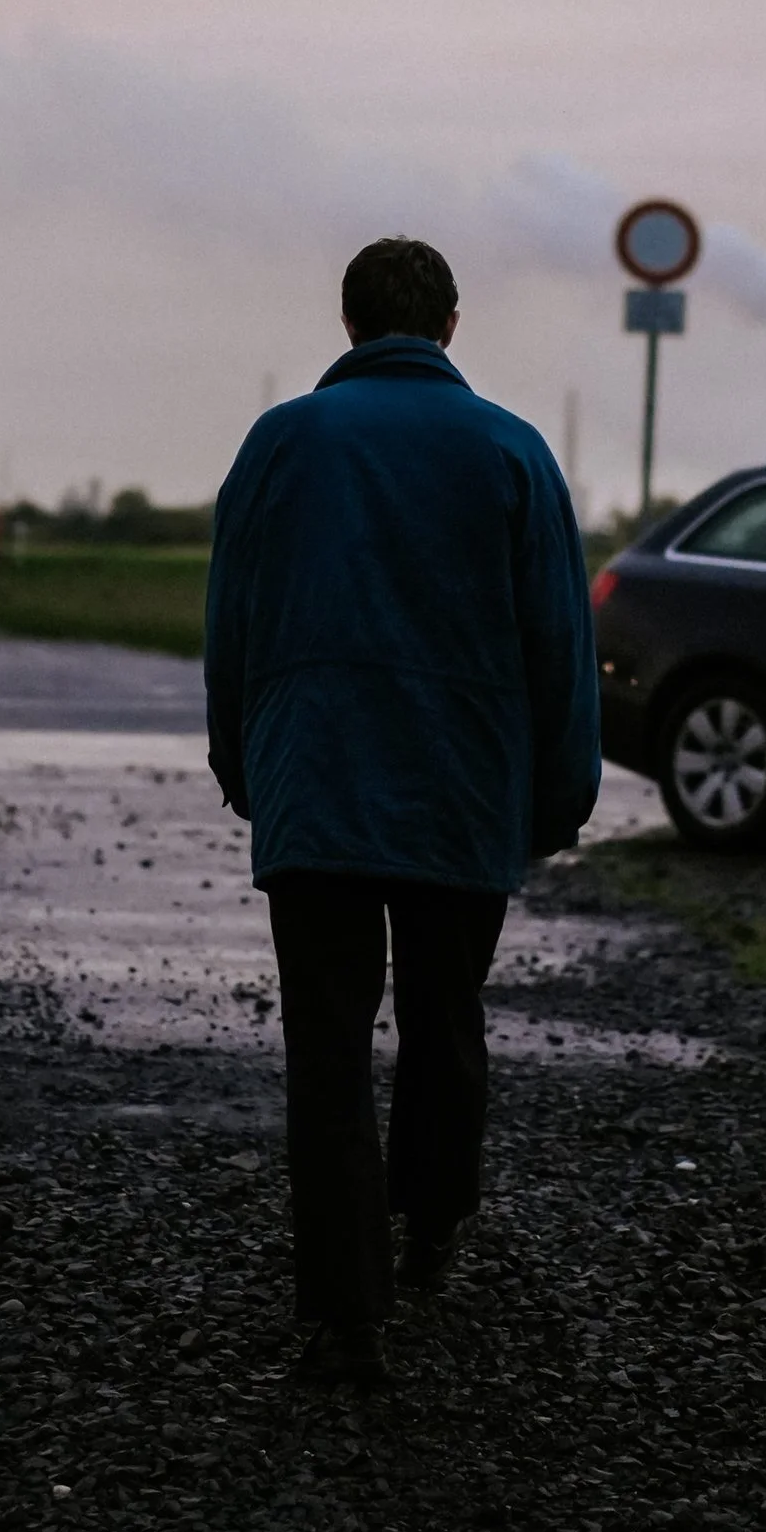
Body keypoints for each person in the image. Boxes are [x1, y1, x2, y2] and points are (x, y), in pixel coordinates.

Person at [203, 234, 602, 1388]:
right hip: (462, 787)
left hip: (314, 781)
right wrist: (559, 790)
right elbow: (556, 645)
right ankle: (433, 1224)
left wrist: (242, 760)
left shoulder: (279, 444)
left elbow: (232, 618)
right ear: (451, 327)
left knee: (325, 1045)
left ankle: (347, 1314)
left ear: (347, 324)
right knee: (444, 1012)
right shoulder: (510, 451)